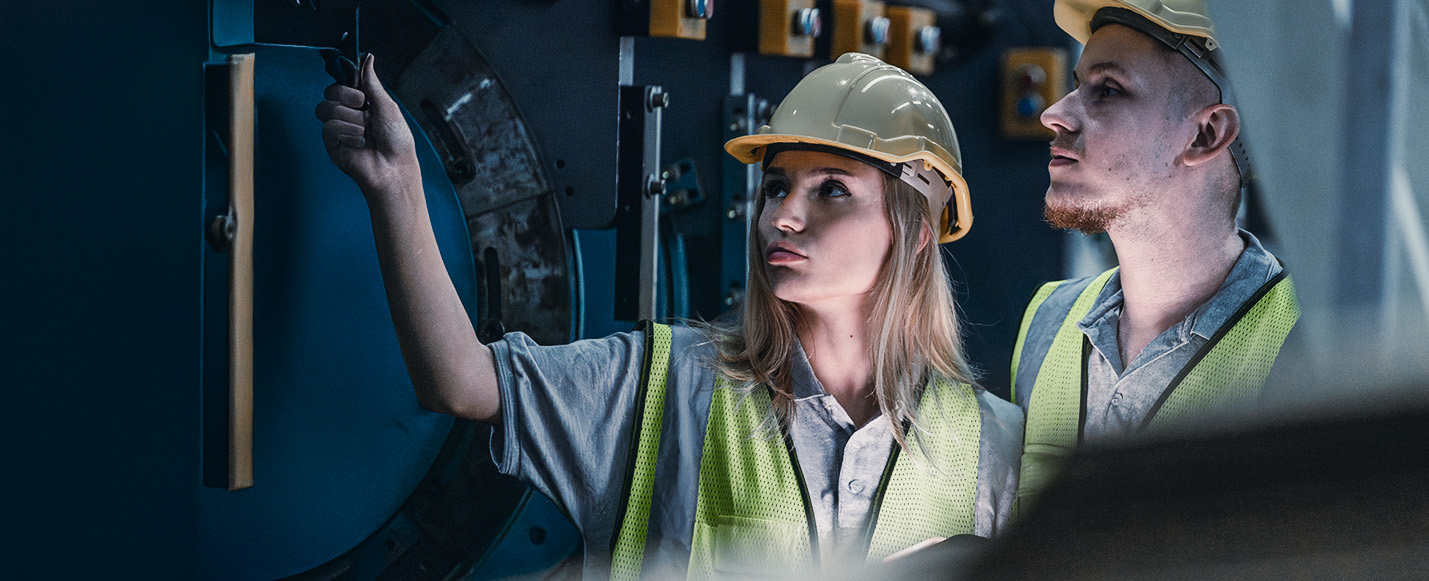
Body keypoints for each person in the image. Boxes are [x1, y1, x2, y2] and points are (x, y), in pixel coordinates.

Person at [316, 52, 1022, 578]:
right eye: (776, 186)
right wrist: (397, 184)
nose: (782, 215)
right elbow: (461, 380)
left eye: (830, 189)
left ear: (916, 231)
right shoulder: (668, 385)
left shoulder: (998, 448)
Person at [1011, 0, 1301, 509]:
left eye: (1107, 90)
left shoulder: (1308, 341)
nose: (1055, 113)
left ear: (1206, 133)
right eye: (1079, 84)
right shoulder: (1048, 318)